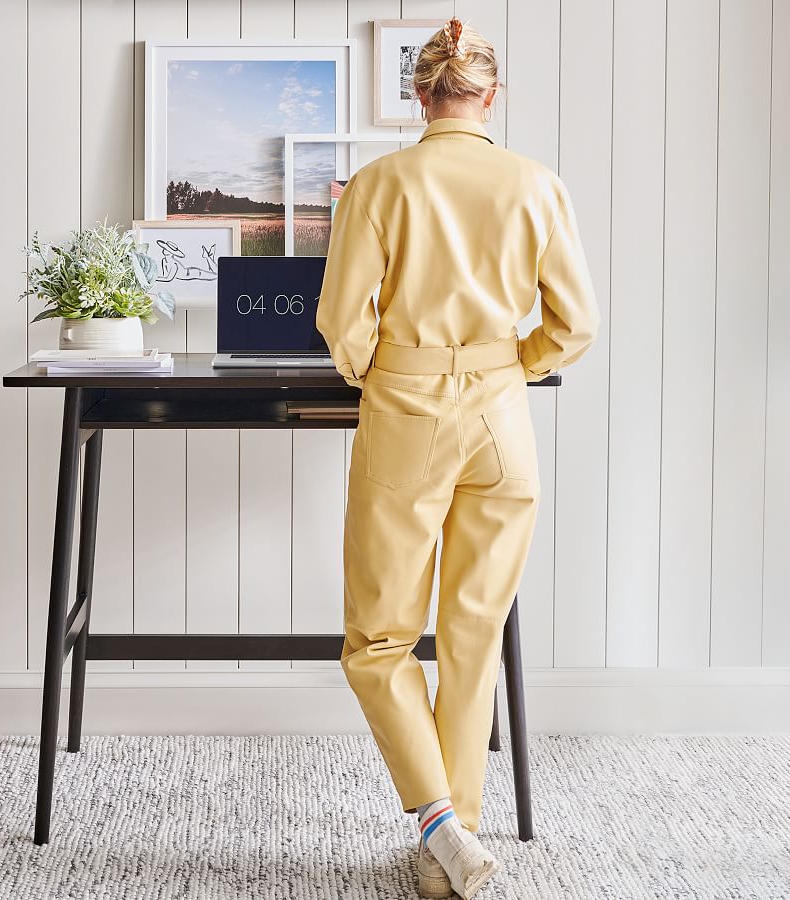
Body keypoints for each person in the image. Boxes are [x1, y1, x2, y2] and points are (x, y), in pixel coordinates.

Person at [315, 16, 599, 900]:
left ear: (419, 94)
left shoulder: (379, 183)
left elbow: (339, 321)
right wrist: (509, 365)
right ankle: (456, 846)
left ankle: (438, 822)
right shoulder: (535, 183)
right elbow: (575, 325)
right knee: (473, 633)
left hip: (407, 410)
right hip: (502, 419)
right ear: (489, 94)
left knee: (379, 640)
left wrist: (379, 367)